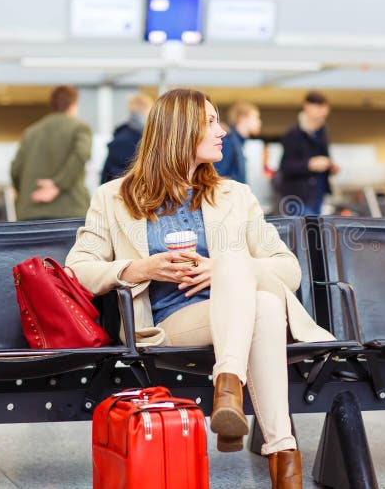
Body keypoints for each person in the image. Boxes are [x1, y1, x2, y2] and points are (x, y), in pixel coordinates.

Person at [66, 89, 334, 488]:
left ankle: (239, 399)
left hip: (246, 316)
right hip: (171, 323)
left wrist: (226, 270)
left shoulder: (236, 196)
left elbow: (288, 269)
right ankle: (277, 451)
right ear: (179, 131)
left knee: (250, 288)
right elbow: (78, 268)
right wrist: (142, 268)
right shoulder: (113, 198)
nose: (222, 130)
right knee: (254, 293)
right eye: (211, 122)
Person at [11, 86, 92, 220]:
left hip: (30, 213)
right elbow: (81, 155)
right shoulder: (80, 128)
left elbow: (15, 169)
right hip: (70, 213)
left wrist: (26, 194)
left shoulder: (30, 132)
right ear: (73, 105)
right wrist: (57, 185)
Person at [278, 91, 337, 216]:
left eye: (325, 109)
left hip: (318, 196)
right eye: (319, 107)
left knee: (313, 233)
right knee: (303, 233)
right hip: (298, 198)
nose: (323, 113)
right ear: (307, 106)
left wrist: (330, 166)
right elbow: (285, 166)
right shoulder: (293, 134)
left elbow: (325, 158)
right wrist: (309, 164)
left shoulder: (322, 133)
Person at [100, 92, 154, 184]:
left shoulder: (119, 137)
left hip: (117, 192)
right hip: (144, 193)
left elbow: (105, 175)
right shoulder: (153, 138)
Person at [213, 101, 261, 183]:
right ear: (243, 119)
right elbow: (219, 176)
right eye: (256, 117)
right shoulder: (227, 140)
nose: (259, 122)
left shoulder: (237, 142)